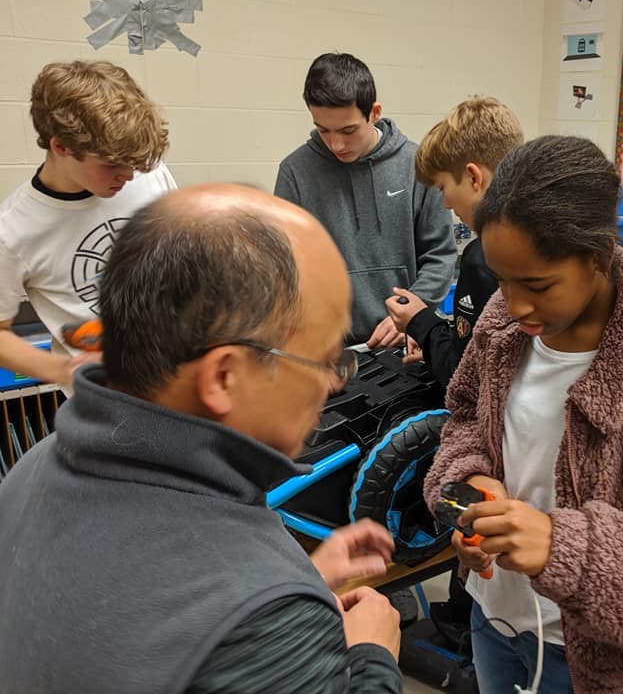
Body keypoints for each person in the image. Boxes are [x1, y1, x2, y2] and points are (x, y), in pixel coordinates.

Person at [0, 184, 403, 693]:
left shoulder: (31, 471)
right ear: (224, 378)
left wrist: (292, 581)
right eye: (325, 359)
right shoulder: (261, 626)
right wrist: (369, 657)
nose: (333, 381)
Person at [422, 136, 623, 694]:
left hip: (590, 660)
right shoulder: (502, 325)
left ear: (598, 255)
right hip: (493, 616)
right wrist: (470, 481)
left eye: (538, 285)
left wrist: (562, 547)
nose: (516, 303)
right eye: (502, 280)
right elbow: (462, 417)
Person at [0, 60, 177, 387]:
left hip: (178, 378)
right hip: (106, 400)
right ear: (61, 146)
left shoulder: (149, 176)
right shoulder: (11, 232)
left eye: (134, 164)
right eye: (112, 165)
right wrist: (63, 371)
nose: (127, 175)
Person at [275, 52, 456, 349]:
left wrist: (411, 315)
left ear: (374, 112)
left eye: (348, 130)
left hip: (407, 340)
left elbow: (439, 254)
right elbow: (286, 269)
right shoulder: (295, 172)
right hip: (331, 349)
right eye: (324, 130)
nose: (336, 144)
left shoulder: (416, 164)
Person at [384, 95, 522, 383]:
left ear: (473, 177)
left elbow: (467, 380)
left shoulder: (484, 259)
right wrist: (438, 344)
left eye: (442, 187)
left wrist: (420, 323)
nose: (446, 203)